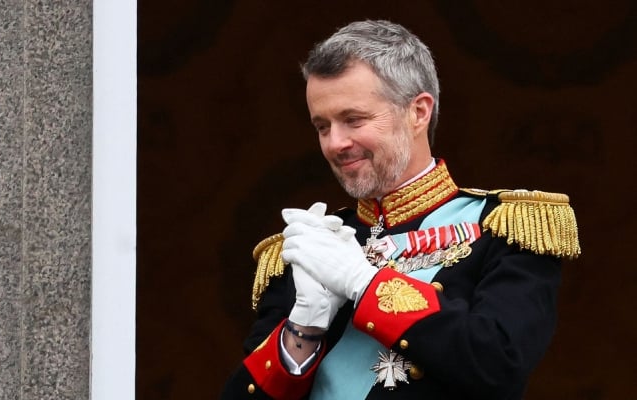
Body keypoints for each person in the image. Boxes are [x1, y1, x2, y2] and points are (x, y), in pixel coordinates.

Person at [220, 19, 580, 400]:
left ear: (419, 112)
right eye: (322, 126)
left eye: (353, 120)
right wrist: (304, 326)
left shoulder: (508, 227)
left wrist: (364, 283)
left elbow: (498, 366)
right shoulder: (309, 247)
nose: (335, 143)